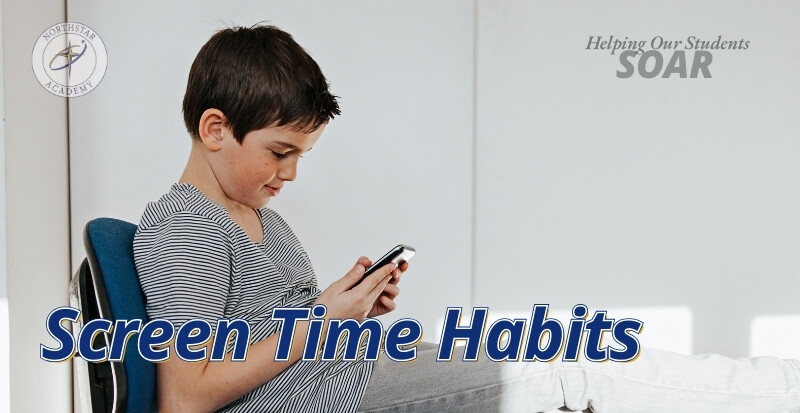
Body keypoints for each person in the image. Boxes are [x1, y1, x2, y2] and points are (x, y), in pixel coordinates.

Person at [133, 24, 800, 413]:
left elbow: (276, 330)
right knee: (569, 362)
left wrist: (353, 308)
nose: (290, 175)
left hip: (350, 366)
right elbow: (185, 396)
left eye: (300, 155)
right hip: (329, 393)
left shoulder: (255, 215)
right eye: (280, 153)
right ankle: (780, 390)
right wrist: (324, 318)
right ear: (215, 128)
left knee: (557, 339)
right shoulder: (185, 224)